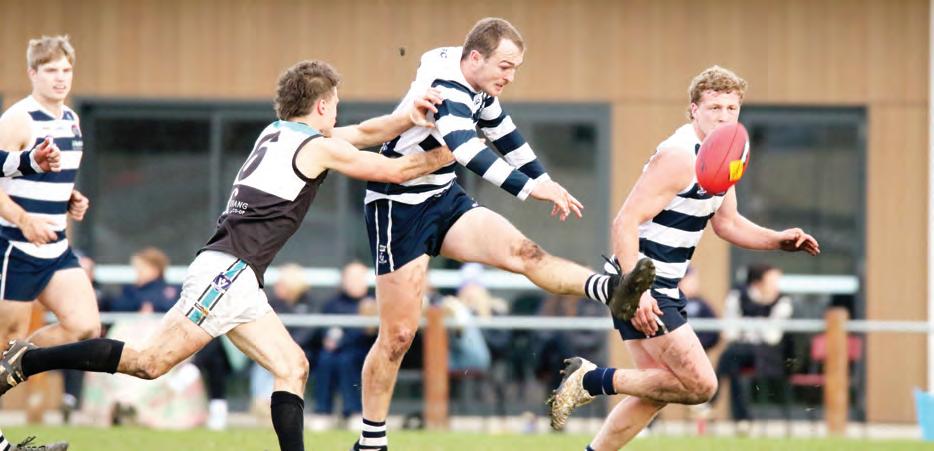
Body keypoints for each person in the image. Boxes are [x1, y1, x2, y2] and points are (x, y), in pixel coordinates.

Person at [0, 59, 455, 451]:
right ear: (321, 106)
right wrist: (457, 146)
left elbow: (365, 132)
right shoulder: (315, 146)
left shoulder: (278, 132)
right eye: (334, 103)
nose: (337, 112)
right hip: (229, 273)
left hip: (238, 276)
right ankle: (26, 361)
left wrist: (406, 118)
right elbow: (395, 170)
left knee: (293, 366)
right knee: (149, 362)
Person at [353, 17, 654, 450]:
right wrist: (530, 189)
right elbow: (468, 150)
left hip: (443, 195)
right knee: (398, 336)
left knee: (524, 252)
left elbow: (503, 133)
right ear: (475, 57)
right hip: (396, 207)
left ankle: (610, 288)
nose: (510, 77)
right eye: (505, 67)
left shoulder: (476, 79)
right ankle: (371, 441)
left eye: (515, 68)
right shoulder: (447, 88)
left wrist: (545, 180)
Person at [547, 65, 820, 450]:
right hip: (642, 283)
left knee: (657, 390)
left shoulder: (724, 155)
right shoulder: (679, 156)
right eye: (714, 108)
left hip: (659, 285)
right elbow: (624, 222)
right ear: (694, 109)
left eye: (731, 108)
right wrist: (638, 290)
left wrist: (778, 240)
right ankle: (590, 379)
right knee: (701, 385)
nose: (724, 117)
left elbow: (727, 223)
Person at [0, 35, 98, 352]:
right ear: (33, 73)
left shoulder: (71, 119)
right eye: (51, 70)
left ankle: (15, 364)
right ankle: (11, 362)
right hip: (14, 245)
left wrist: (69, 197)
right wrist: (25, 220)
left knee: (84, 327)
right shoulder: (18, 119)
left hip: (56, 247)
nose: (60, 78)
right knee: (7, 339)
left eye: (66, 70)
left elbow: (41, 175)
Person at [715, 263, 792, 428]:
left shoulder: (782, 301)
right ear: (758, 283)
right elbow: (730, 332)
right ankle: (742, 418)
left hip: (770, 354)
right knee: (732, 363)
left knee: (729, 357)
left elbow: (773, 337)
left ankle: (712, 399)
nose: (776, 286)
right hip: (742, 351)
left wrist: (748, 328)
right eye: (772, 281)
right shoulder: (738, 296)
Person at [313, 261, 371, 423]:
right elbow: (323, 329)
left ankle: (354, 412)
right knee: (325, 359)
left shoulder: (373, 302)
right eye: (350, 278)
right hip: (336, 351)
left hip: (363, 351)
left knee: (347, 360)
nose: (354, 282)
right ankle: (323, 412)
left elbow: (369, 334)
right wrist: (327, 338)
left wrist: (342, 340)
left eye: (358, 278)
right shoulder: (332, 303)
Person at [109, 247, 179, 313]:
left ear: (155, 269)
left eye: (142, 268)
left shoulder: (169, 290)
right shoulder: (129, 290)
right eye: (136, 268)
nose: (138, 272)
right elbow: (115, 306)